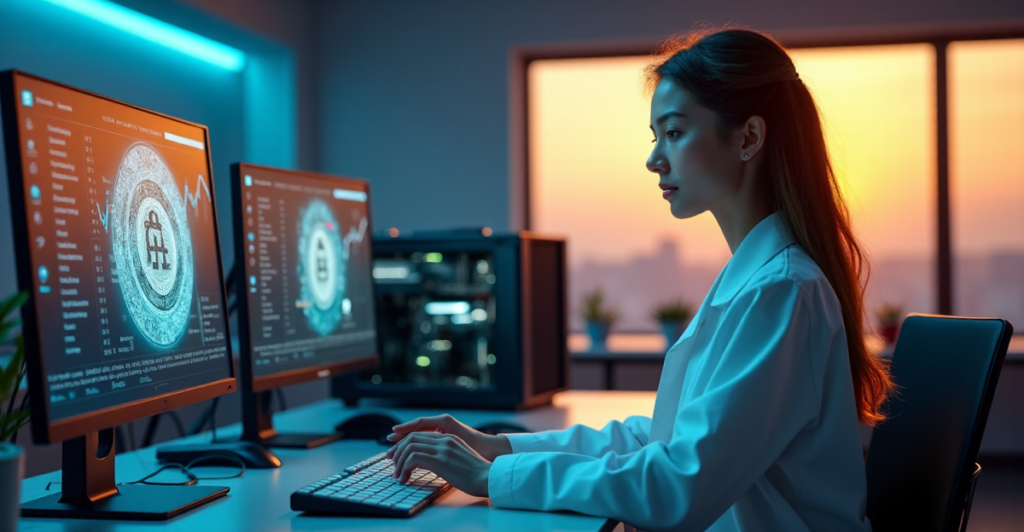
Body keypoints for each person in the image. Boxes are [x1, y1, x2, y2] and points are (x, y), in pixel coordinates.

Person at [385, 27, 894, 531]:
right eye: (656, 137)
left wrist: (495, 476)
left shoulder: (782, 292)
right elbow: (664, 440)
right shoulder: (761, 280)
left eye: (673, 133)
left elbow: (678, 487)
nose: (654, 160)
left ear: (749, 137)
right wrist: (500, 448)